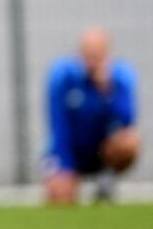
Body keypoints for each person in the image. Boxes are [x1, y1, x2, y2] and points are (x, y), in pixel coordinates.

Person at [43, 26, 140, 204]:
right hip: (71, 150)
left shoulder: (120, 76)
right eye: (88, 54)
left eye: (97, 55)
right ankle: (69, 179)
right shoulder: (62, 76)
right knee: (60, 196)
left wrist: (106, 91)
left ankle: (106, 176)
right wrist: (65, 167)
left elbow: (127, 121)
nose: (92, 61)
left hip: (101, 151)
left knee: (129, 142)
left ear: (107, 54)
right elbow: (58, 126)